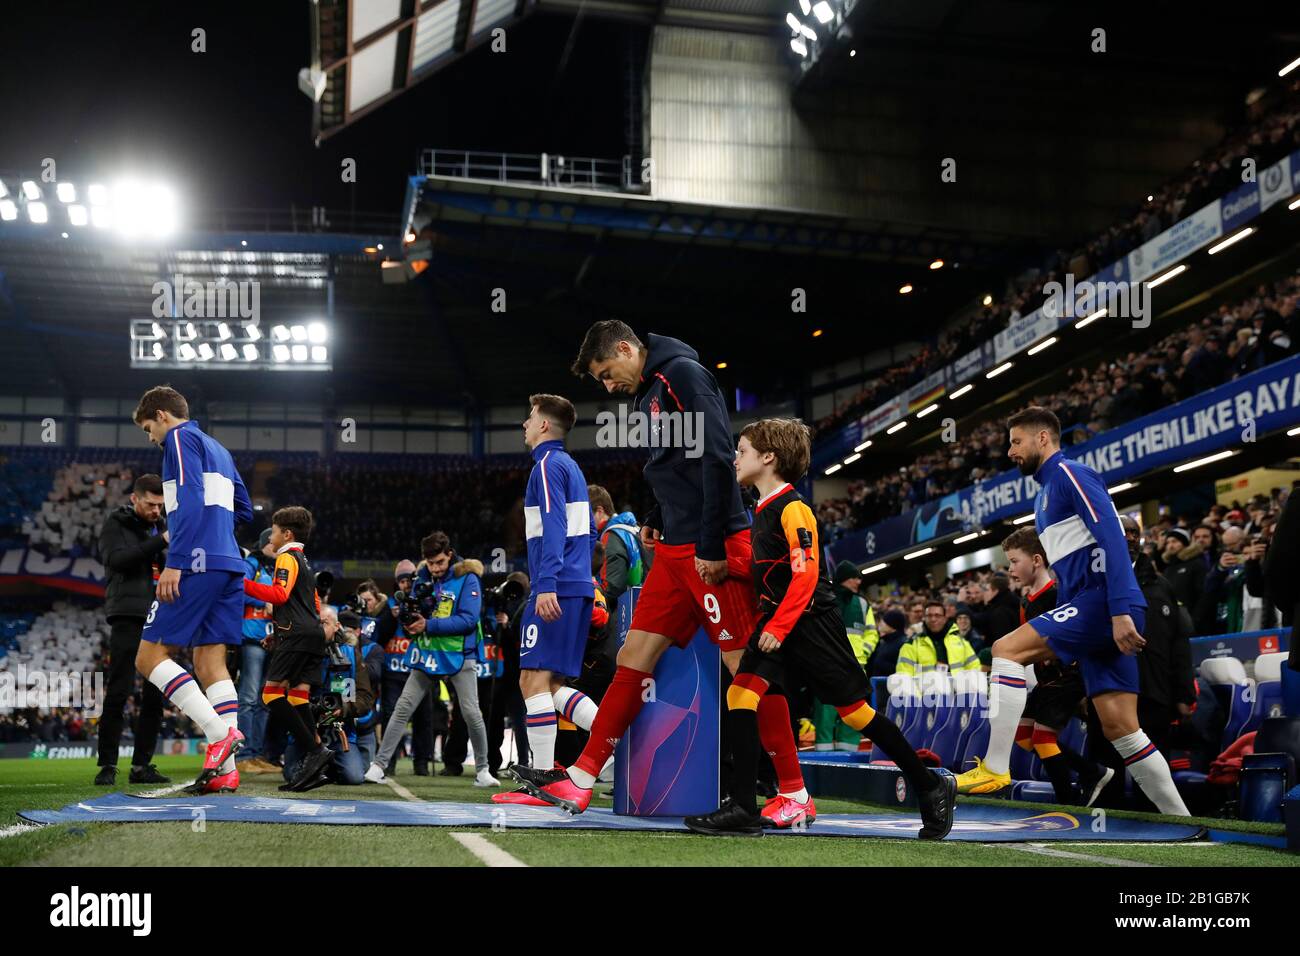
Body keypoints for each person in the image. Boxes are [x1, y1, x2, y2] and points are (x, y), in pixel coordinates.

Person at [512, 321, 805, 822]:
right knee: (633, 654)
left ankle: (794, 794)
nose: (607, 386)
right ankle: (581, 780)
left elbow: (715, 458)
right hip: (673, 549)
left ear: (626, 349)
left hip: (709, 546)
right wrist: (654, 519)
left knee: (746, 668)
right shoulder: (648, 394)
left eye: (606, 373)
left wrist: (710, 545)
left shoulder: (684, 377)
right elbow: (667, 468)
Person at [683, 419, 954, 836]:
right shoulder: (762, 509)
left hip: (809, 625)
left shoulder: (793, 507)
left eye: (742, 450)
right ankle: (745, 807)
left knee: (857, 714)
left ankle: (929, 784)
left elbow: (806, 574)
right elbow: (769, 570)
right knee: (741, 694)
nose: (735, 458)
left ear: (768, 457)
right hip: (778, 623)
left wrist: (780, 625)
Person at [953, 407, 1190, 815]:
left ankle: (994, 767)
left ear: (1042, 438)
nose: (1010, 452)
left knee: (1005, 650)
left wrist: (1117, 612)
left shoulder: (1069, 474)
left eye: (1016, 441)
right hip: (1092, 605)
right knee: (1122, 729)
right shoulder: (1044, 494)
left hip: (1104, 603)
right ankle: (1185, 822)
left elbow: (1114, 537)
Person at [132, 386, 252, 795]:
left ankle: (218, 735)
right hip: (229, 563)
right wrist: (220, 537)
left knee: (148, 657)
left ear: (163, 415)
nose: (151, 438)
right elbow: (245, 509)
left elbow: (190, 497)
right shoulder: (219, 448)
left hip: (197, 563)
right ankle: (227, 771)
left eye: (149, 428)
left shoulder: (181, 439)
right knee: (210, 666)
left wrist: (176, 561)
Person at [491, 395, 599, 803]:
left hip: (557, 587)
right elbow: (587, 532)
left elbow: (554, 526)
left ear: (544, 427)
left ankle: (542, 781)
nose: (524, 424)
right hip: (576, 585)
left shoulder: (547, 465)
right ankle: (617, 741)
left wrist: (549, 582)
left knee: (531, 679)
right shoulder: (569, 466)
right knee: (549, 685)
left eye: (529, 418)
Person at [982, 527, 1112, 805]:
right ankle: (1092, 771)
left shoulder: (1059, 595)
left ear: (1037, 561)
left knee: (1042, 738)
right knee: (1022, 735)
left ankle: (1069, 800)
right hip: (1046, 680)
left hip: (1067, 677)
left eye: (1015, 561)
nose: (1010, 568)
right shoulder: (1025, 600)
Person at [364, 532, 499, 788]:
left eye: (439, 562)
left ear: (449, 554)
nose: (435, 568)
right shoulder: (422, 577)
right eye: (430, 563)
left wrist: (428, 624)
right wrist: (408, 618)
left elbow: (469, 620)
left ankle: (483, 770)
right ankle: (379, 766)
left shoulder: (467, 578)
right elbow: (412, 618)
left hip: (460, 653)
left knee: (471, 712)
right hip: (428, 653)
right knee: (403, 707)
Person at [1085, 515, 1198, 809]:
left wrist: (1184, 693)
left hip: (1154, 696)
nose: (1130, 538)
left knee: (1151, 784)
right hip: (1107, 695)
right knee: (1107, 780)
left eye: (1134, 533)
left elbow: (1180, 642)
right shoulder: (1092, 582)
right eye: (1123, 532)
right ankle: (1100, 837)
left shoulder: (1163, 586)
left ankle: (1159, 841)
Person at [243, 506, 335, 792]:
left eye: (273, 530)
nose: (270, 535)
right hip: (311, 635)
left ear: (287, 533)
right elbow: (315, 604)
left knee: (270, 695)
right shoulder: (305, 561)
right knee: (297, 697)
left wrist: (242, 584)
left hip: (295, 636)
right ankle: (315, 763)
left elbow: (279, 594)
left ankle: (314, 751)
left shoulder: (286, 557)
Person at [94, 473, 170, 786]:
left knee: (155, 694)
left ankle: (141, 766)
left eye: (160, 506)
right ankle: (108, 765)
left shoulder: (159, 525)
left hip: (159, 615)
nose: (156, 511)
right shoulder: (117, 524)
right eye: (151, 504)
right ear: (134, 499)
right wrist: (161, 540)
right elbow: (118, 559)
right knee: (120, 689)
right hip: (128, 613)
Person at [280, 605, 375, 788]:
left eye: (324, 623)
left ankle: (333, 764)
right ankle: (323, 764)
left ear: (337, 625)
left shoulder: (350, 654)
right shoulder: (296, 654)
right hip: (306, 732)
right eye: (315, 624)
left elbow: (365, 698)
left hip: (339, 732)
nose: (319, 629)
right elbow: (278, 695)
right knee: (291, 775)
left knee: (354, 777)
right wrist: (306, 709)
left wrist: (344, 708)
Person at [370, 560, 437, 775]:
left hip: (420, 668)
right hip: (394, 670)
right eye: (402, 581)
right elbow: (378, 636)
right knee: (391, 716)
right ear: (397, 583)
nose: (406, 584)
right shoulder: (390, 605)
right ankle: (388, 764)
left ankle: (422, 763)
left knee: (423, 718)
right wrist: (392, 617)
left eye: (409, 580)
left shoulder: (426, 602)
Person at [812, 562, 878, 752]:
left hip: (855, 665)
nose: (858, 581)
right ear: (843, 579)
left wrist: (862, 652)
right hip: (828, 663)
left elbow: (872, 633)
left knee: (855, 712)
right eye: (854, 577)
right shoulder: (825, 598)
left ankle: (847, 753)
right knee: (826, 711)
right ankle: (823, 757)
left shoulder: (863, 603)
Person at [235, 528, 279, 774]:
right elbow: (238, 589)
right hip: (252, 636)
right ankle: (243, 755)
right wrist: (264, 601)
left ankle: (258, 753)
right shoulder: (251, 563)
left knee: (265, 700)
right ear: (263, 544)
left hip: (274, 639)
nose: (276, 549)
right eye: (272, 545)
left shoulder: (279, 569)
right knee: (249, 698)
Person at [895, 600, 980, 677]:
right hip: (925, 693)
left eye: (937, 615)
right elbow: (904, 676)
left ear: (944, 618)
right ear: (924, 618)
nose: (933, 619)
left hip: (957, 692)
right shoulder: (911, 645)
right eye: (929, 616)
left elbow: (974, 669)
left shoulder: (961, 642)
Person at [868, 610, 909, 678]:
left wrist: (880, 663)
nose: (881, 623)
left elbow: (901, 668)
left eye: (885, 621)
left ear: (893, 625)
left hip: (890, 685)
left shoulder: (903, 643)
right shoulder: (884, 641)